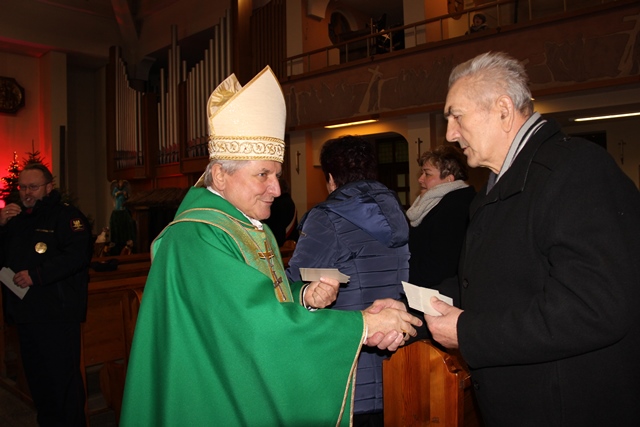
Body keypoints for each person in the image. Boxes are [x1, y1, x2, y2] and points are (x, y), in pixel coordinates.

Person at [120, 66, 422, 427]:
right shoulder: (195, 238)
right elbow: (253, 327)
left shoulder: (251, 228)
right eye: (263, 175)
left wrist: (302, 295)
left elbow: (259, 299)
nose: (276, 189)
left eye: (276, 175)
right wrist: (362, 325)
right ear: (220, 175)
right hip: (210, 397)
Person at [425, 51, 640, 426]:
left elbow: (595, 307)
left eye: (456, 116)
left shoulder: (576, 170)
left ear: (503, 111)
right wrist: (410, 307)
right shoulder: (499, 185)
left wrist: (468, 332)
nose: (450, 134)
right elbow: (488, 282)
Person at [287, 135, 409, 426]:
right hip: (394, 363)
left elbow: (292, 284)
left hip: (348, 365)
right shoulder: (397, 212)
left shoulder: (326, 218)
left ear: (330, 178)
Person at [0, 163, 92, 427]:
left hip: (57, 314)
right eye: (23, 187)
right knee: (39, 383)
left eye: (33, 187)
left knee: (63, 383)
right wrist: (1, 226)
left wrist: (36, 275)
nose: (27, 193)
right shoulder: (16, 219)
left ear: (49, 187)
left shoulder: (66, 216)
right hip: (25, 313)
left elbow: (77, 256)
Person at [406, 145, 475, 302]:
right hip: (429, 290)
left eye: (427, 174)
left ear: (449, 179)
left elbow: (441, 264)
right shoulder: (438, 204)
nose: (420, 179)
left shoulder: (456, 208)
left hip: (439, 295)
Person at [262, 177, 298, 247]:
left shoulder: (277, 203)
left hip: (281, 243)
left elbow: (273, 225)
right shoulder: (289, 200)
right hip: (291, 241)